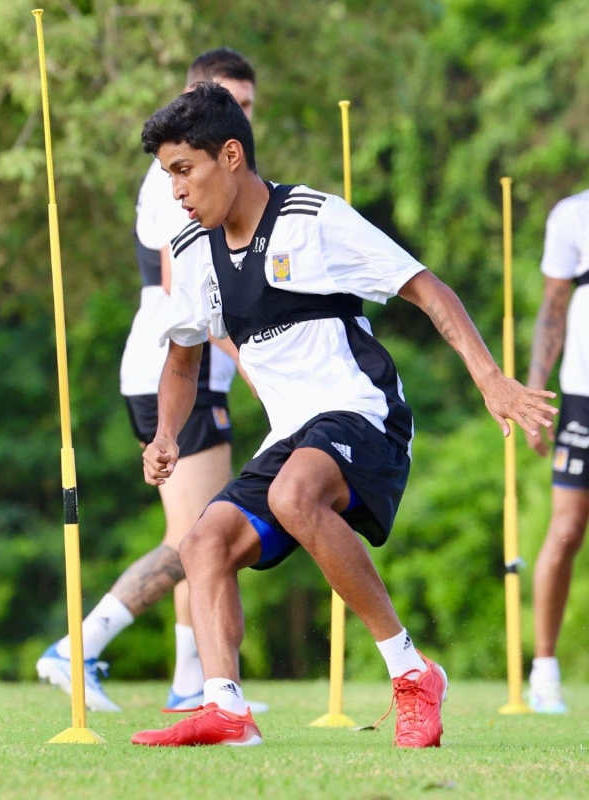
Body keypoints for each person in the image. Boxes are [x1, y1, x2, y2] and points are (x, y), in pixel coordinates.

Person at [129, 83, 558, 748]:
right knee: (201, 544)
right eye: (167, 177)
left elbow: (425, 286)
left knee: (293, 493)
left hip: (365, 414)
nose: (176, 191)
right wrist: (163, 434)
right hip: (291, 434)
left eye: (184, 170)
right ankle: (226, 709)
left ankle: (411, 674)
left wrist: (491, 378)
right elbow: (182, 362)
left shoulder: (313, 218)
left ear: (232, 155)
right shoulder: (193, 256)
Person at [37, 50, 265, 714]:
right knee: (197, 537)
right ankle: (77, 647)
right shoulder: (176, 175)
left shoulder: (224, 171)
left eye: (250, 105)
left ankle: (192, 684)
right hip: (171, 367)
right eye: (232, 101)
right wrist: (250, 356)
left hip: (199, 372)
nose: (243, 117)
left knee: (206, 531)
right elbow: (185, 289)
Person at [524, 190, 589, 714]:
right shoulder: (572, 214)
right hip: (583, 396)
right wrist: (535, 393)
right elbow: (553, 307)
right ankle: (543, 671)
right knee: (566, 529)